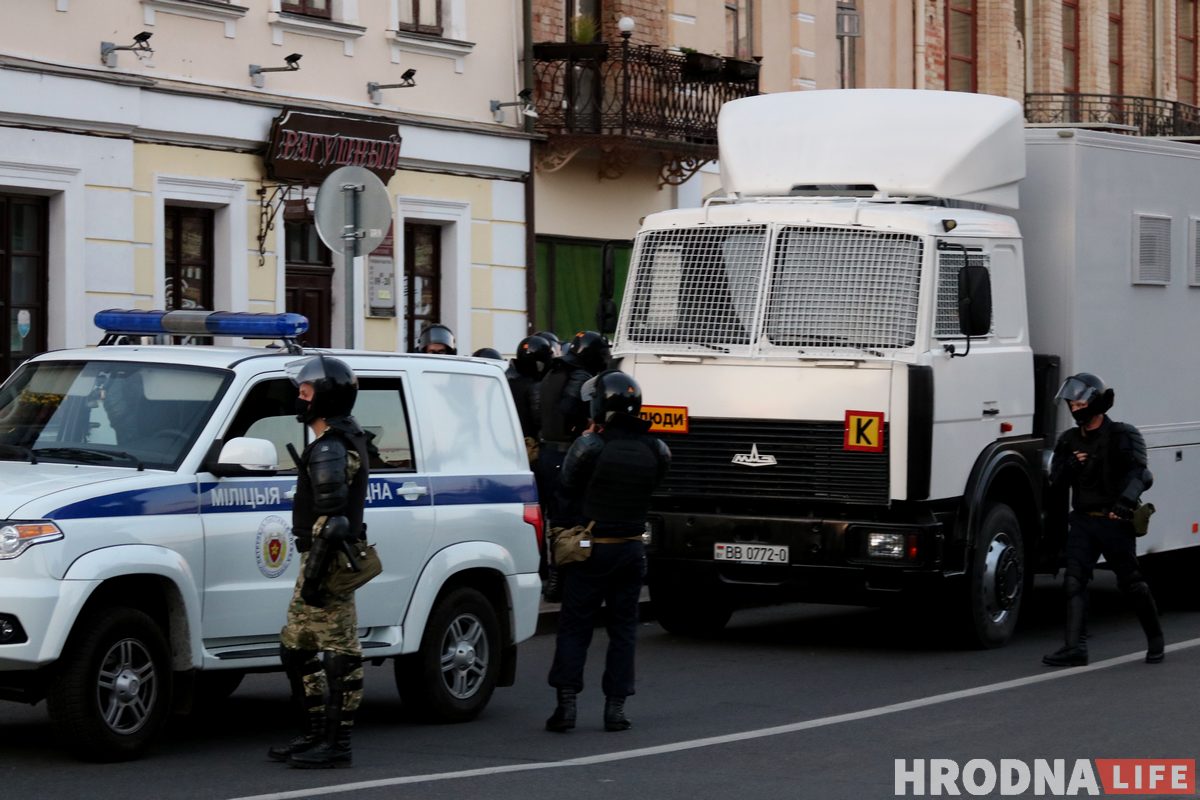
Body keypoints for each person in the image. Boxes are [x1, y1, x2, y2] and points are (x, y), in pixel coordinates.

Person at [545, 370, 670, 733]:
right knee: (624, 631)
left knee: (574, 628)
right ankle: (615, 709)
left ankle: (566, 707)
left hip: (590, 550)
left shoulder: (590, 446)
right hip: (631, 549)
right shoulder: (657, 448)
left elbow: (564, 490)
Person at [270, 355, 372, 768]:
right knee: (296, 648)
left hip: (329, 562)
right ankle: (314, 733)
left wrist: (314, 578)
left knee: (339, 652)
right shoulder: (332, 440)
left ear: (324, 397)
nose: (299, 398)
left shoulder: (331, 447)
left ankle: (337, 742)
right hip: (317, 558)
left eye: (305, 392)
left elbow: (333, 523)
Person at [1041, 372, 1163, 667]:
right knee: (1073, 582)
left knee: (1131, 583)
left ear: (1096, 400)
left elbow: (1142, 474)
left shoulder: (1123, 434)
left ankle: (1156, 639)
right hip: (1083, 521)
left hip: (1114, 521)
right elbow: (1055, 482)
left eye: (1080, 400)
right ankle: (1075, 648)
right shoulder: (1069, 441)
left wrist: (1124, 503)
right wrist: (1069, 465)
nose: (1075, 406)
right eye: (1071, 401)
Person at [537, 331, 610, 523]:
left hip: (547, 451)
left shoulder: (556, 369)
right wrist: (586, 426)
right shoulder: (580, 374)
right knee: (569, 518)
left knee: (554, 516)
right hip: (565, 453)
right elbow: (569, 409)